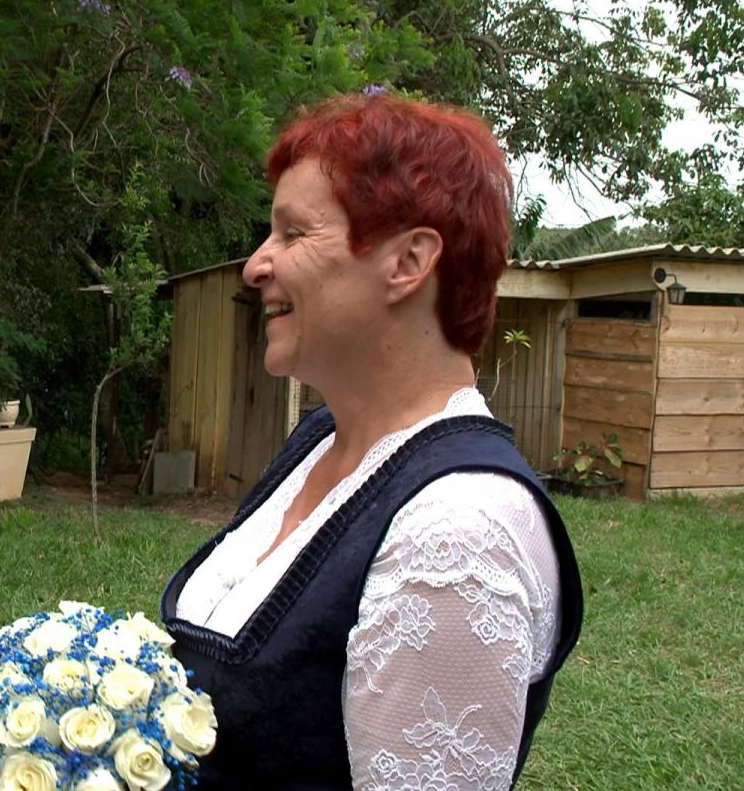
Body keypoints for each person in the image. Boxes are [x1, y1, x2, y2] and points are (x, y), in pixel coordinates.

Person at [161, 94, 583, 789]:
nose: (256, 265)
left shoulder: (460, 535)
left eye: (294, 234)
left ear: (409, 261)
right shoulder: (319, 441)